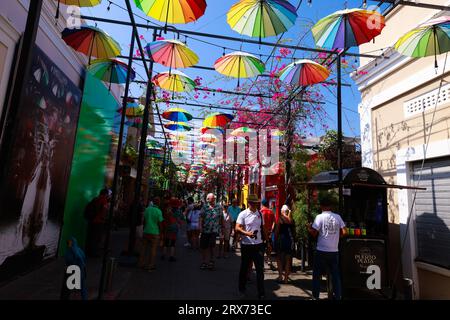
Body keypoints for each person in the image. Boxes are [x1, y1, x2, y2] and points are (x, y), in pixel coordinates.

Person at [308, 193, 346, 300]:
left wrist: (308, 228)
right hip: (334, 251)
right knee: (335, 275)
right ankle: (338, 296)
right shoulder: (337, 217)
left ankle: (315, 296)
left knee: (317, 275)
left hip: (321, 250)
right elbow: (344, 231)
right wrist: (337, 237)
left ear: (321, 206)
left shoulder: (319, 217)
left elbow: (314, 233)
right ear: (330, 206)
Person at [235, 194, 266, 300]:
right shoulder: (243, 214)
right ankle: (241, 289)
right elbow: (237, 228)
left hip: (258, 245)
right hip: (247, 245)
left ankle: (261, 293)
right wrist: (247, 233)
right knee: (244, 268)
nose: (255, 205)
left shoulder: (260, 214)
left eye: (256, 203)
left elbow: (263, 228)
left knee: (260, 270)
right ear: (249, 203)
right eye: (253, 203)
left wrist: (267, 242)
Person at [199, 193, 224, 270]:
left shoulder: (219, 207)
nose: (213, 200)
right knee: (204, 247)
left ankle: (211, 261)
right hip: (205, 230)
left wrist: (221, 228)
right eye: (212, 198)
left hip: (214, 230)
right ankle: (204, 262)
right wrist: (200, 227)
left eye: (214, 198)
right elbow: (201, 218)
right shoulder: (204, 207)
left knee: (212, 246)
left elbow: (221, 218)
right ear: (208, 199)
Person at [139, 197, 163, 271]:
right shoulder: (159, 211)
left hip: (146, 231)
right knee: (153, 249)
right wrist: (161, 233)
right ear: (159, 203)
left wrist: (144, 228)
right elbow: (160, 223)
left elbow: (144, 220)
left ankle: (141, 263)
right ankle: (150, 265)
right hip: (155, 232)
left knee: (143, 248)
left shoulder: (147, 209)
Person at [274, 205, 296, 284]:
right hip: (290, 241)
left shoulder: (281, 219)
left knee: (279, 259)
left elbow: (276, 231)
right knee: (288, 260)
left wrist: (275, 240)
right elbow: (294, 232)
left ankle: (280, 277)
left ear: (282, 211)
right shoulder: (292, 220)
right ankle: (286, 279)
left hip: (281, 240)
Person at [85, 188, 109, 257]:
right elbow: (104, 211)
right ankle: (93, 253)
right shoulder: (104, 200)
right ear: (105, 194)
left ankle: (88, 251)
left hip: (92, 220)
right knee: (96, 238)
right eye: (107, 194)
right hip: (98, 221)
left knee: (90, 236)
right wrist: (104, 218)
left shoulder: (95, 199)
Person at [260, 199, 276, 271]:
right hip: (269, 232)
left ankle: (262, 264)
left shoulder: (261, 212)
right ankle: (269, 259)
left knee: (262, 248)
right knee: (269, 246)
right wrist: (272, 230)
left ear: (262, 204)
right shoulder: (271, 212)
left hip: (262, 233)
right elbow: (274, 222)